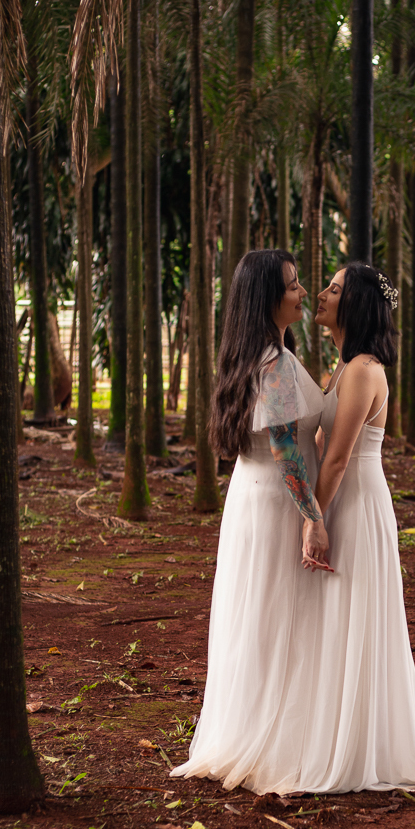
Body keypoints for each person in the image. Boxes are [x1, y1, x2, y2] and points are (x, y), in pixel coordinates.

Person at [295, 262, 415, 792]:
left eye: (334, 289)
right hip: (347, 499)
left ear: (353, 304)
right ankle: (336, 733)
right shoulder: (346, 366)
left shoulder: (361, 370)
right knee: (339, 615)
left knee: (355, 614)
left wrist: (315, 520)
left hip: (355, 505)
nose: (323, 294)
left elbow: (336, 460)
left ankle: (358, 748)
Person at [170, 250, 329, 793]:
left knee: (256, 620)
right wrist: (312, 517)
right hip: (277, 503)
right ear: (268, 299)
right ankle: (278, 742)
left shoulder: (252, 357)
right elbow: (287, 452)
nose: (303, 292)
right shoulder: (275, 364)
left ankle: (255, 730)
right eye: (292, 285)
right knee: (277, 620)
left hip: (249, 497)